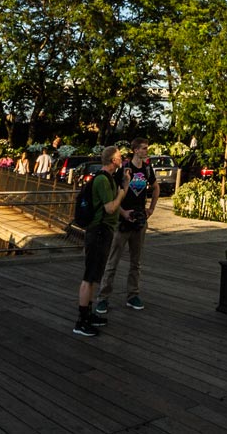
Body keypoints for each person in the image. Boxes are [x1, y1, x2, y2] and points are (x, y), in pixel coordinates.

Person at [75, 145, 137, 337]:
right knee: (89, 276)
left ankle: (89, 313)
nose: (121, 159)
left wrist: (124, 211)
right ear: (112, 160)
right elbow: (110, 207)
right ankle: (81, 320)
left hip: (105, 230)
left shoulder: (109, 178)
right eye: (119, 157)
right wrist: (123, 191)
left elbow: (112, 207)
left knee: (95, 276)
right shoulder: (102, 180)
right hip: (98, 231)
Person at [97, 139, 159, 315]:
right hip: (123, 221)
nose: (146, 151)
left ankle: (133, 294)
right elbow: (115, 192)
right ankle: (103, 297)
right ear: (135, 150)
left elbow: (155, 188)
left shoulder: (147, 169)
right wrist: (122, 212)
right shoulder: (124, 169)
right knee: (113, 260)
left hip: (139, 220)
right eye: (144, 148)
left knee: (136, 261)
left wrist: (151, 209)